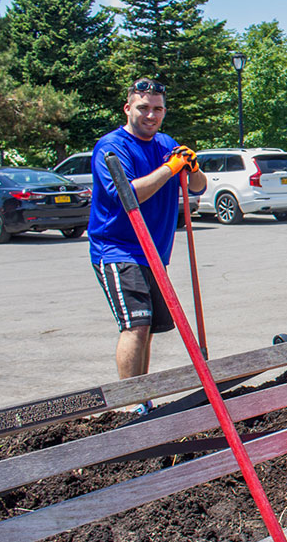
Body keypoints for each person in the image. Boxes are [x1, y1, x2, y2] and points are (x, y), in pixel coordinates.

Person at [89, 78, 207, 392]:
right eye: (143, 108)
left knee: (149, 328)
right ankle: (129, 405)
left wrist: (192, 168)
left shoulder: (166, 143)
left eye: (157, 109)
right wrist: (170, 168)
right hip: (117, 250)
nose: (151, 115)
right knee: (136, 326)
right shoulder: (111, 147)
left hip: (155, 254)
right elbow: (129, 194)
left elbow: (199, 188)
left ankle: (143, 397)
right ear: (128, 109)